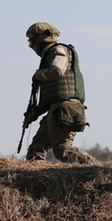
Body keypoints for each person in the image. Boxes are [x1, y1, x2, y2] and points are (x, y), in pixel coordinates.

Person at [23, 22, 96, 164]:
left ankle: (94, 167)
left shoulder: (59, 51)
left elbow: (57, 71)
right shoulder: (49, 56)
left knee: (63, 150)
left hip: (64, 111)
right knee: (35, 151)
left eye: (32, 43)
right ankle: (39, 180)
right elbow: (51, 95)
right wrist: (35, 113)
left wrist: (39, 75)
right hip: (56, 110)